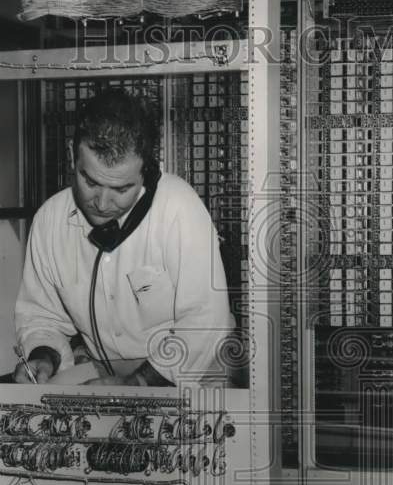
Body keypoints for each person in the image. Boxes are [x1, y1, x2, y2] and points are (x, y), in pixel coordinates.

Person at [13, 89, 234, 386]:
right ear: (71, 155)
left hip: (198, 369)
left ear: (146, 171)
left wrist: (139, 384)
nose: (102, 204)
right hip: (109, 373)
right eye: (90, 181)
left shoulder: (178, 207)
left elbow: (205, 321)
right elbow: (42, 316)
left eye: (121, 189)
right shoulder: (49, 222)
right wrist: (43, 356)